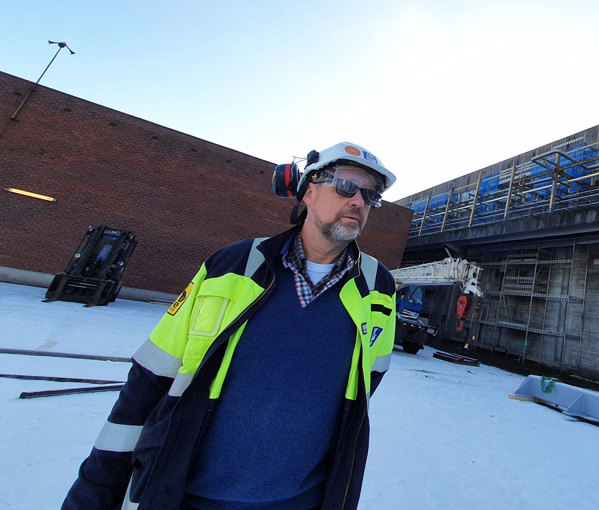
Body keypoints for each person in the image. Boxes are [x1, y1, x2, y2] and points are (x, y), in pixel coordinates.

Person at [63, 142, 398, 510]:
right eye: (347, 186)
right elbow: (150, 379)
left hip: (303, 502)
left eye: (371, 195)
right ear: (309, 191)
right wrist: (94, 493)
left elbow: (368, 382)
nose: (358, 202)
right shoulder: (234, 264)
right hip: (188, 497)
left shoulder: (378, 287)